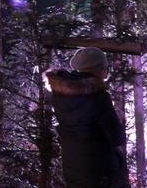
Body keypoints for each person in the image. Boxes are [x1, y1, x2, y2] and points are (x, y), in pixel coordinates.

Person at [46, 47, 130, 188]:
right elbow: (117, 137)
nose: (106, 72)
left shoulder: (60, 95)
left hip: (73, 168)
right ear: (97, 70)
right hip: (101, 172)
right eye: (105, 68)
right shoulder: (99, 96)